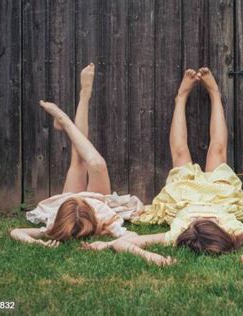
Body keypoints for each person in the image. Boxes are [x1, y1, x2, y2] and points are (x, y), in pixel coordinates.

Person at [82, 68, 243, 265]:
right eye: (209, 221)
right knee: (217, 150)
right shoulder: (235, 230)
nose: (202, 218)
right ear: (222, 230)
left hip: (184, 197)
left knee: (180, 153)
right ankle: (214, 94)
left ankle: (181, 97)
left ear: (188, 229)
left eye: (197, 222)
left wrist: (150, 256)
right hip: (220, 195)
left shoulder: (175, 234)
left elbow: (123, 244)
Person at [10, 63, 143, 247]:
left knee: (78, 158)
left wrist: (37, 243)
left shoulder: (60, 218)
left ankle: (76, 104)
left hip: (71, 202)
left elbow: (18, 232)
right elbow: (133, 236)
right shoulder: (102, 219)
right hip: (95, 201)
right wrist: (106, 244)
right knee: (97, 164)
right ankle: (75, 107)